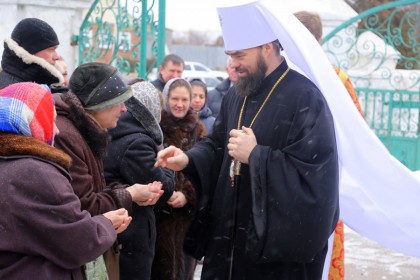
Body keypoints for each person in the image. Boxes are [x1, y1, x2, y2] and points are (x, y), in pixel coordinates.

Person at [154, 2, 339, 279]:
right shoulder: (237, 94)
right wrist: (189, 158)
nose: (233, 64)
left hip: (271, 256)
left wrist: (257, 156)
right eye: (230, 55)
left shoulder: (305, 98)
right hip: (226, 242)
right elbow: (217, 144)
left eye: (240, 55)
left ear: (267, 47)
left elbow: (315, 179)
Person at [0, 82, 132, 279]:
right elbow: (79, 242)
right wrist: (106, 223)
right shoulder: (36, 173)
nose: (57, 130)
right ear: (32, 121)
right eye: (49, 120)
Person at [53, 62, 163, 280]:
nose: (124, 109)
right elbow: (85, 205)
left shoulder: (83, 130)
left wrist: (130, 191)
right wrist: (130, 194)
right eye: (119, 102)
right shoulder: (69, 136)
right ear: (100, 103)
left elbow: (93, 190)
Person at [294, 10, 366, 280]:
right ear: (320, 39)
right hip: (323, 177)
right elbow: (358, 131)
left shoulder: (279, 74)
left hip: (287, 175)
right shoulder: (339, 79)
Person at [103, 78, 175, 280]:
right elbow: (163, 189)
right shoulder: (138, 142)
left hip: (120, 231)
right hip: (132, 235)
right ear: (151, 109)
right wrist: (169, 167)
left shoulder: (115, 131)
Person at [151, 77, 206, 280]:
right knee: (160, 269)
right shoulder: (157, 128)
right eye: (175, 98)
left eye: (184, 99)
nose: (180, 104)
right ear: (166, 99)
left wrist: (186, 195)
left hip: (187, 217)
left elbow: (203, 170)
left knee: (184, 271)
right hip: (160, 214)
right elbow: (150, 165)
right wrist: (166, 192)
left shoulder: (199, 130)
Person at [0, 18, 64, 90]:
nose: (57, 57)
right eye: (51, 50)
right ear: (30, 52)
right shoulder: (9, 91)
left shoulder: (50, 87)